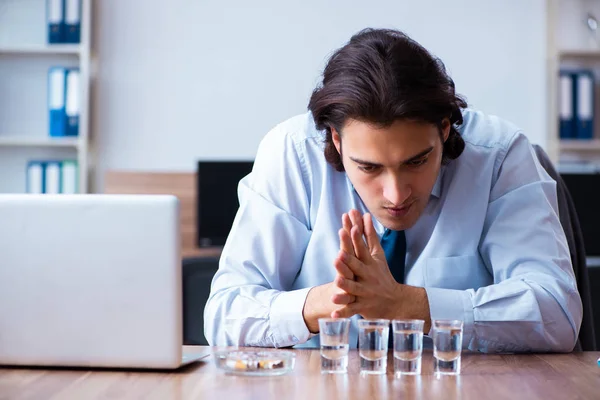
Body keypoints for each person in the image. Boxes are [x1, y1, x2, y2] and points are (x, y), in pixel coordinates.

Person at [203, 28, 583, 353]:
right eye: (369, 167)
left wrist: (407, 305)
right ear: (335, 141)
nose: (396, 194)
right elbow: (224, 312)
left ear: (445, 129)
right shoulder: (291, 153)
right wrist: (325, 302)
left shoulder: (501, 156)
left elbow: (557, 312)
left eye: (416, 161)